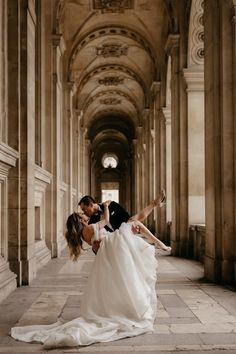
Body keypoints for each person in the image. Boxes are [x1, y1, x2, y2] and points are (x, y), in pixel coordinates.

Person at [11, 198, 170, 349]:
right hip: (111, 245)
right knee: (133, 224)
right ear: (80, 221)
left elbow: (95, 245)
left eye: (83, 211)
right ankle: (158, 243)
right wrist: (106, 207)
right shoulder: (89, 227)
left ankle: (156, 241)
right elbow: (106, 222)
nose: (84, 215)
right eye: (81, 215)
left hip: (107, 252)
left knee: (122, 276)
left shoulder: (83, 233)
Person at [79, 190, 166, 254]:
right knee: (135, 221)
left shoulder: (111, 204)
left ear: (91, 205)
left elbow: (126, 218)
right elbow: (95, 247)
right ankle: (155, 204)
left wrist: (132, 229)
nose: (84, 212)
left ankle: (155, 204)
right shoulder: (91, 222)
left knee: (133, 220)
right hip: (114, 243)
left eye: (84, 209)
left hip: (123, 233)